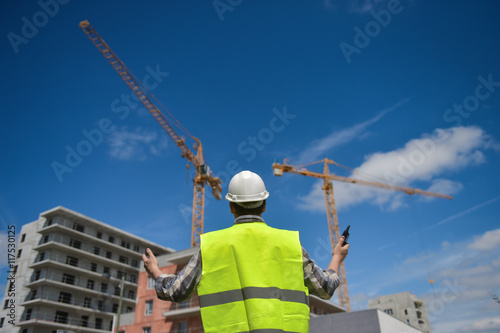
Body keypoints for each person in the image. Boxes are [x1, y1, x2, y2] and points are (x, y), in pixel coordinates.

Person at [143, 170, 349, 333]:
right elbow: (326, 288)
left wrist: (155, 272)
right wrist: (336, 258)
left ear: (231, 206)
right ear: (265, 205)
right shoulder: (289, 244)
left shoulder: (211, 247)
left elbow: (176, 291)